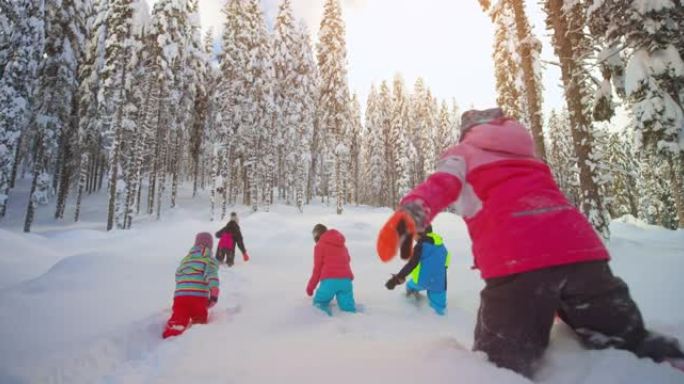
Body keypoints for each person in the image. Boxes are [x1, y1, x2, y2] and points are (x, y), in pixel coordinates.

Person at [376, 108, 684, 377]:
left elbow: (442, 184)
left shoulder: (463, 152)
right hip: (583, 254)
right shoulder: (529, 157)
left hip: (517, 260)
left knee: (499, 366)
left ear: (467, 131)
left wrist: (411, 215)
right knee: (628, 338)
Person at [162, 232, 220, 339]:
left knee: (179, 316)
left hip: (180, 297)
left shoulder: (185, 260)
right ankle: (195, 340)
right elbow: (211, 275)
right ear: (210, 246)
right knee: (199, 319)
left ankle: (171, 333)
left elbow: (178, 275)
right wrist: (214, 294)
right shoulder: (208, 259)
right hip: (198, 298)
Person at [385, 225, 450, 315]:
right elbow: (446, 263)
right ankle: (440, 322)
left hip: (421, 280)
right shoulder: (442, 245)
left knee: (410, 287)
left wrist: (398, 278)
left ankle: (411, 303)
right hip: (439, 283)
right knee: (439, 310)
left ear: (420, 234)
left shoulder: (421, 246)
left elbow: (412, 264)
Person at [306, 224, 356, 316]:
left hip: (329, 282)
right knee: (348, 308)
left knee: (319, 304)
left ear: (316, 236)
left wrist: (310, 288)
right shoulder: (342, 245)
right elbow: (348, 259)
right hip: (346, 281)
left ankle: (327, 324)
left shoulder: (320, 246)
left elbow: (317, 270)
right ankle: (354, 323)